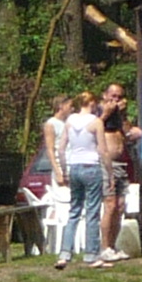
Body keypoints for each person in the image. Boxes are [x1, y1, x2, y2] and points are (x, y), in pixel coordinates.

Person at [57, 91, 108, 270]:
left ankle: (64, 254)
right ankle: (91, 254)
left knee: (74, 211)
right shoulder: (96, 122)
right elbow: (103, 150)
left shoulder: (70, 121)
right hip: (91, 166)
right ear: (92, 103)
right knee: (92, 211)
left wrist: (64, 170)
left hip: (75, 167)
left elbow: (61, 149)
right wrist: (109, 172)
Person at [98, 84, 133, 261]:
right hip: (107, 164)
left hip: (121, 164)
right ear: (105, 95)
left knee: (120, 206)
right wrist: (107, 113)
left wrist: (123, 115)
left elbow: (127, 133)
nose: (116, 100)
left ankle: (113, 245)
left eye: (119, 97)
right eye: (113, 96)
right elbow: (92, 128)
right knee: (110, 205)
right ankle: (104, 247)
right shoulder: (99, 112)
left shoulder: (119, 116)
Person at [39, 96, 73, 260]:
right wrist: (58, 171)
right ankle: (64, 245)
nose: (72, 109)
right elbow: (50, 149)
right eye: (69, 106)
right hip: (61, 167)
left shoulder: (69, 123)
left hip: (73, 166)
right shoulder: (51, 124)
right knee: (65, 205)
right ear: (61, 106)